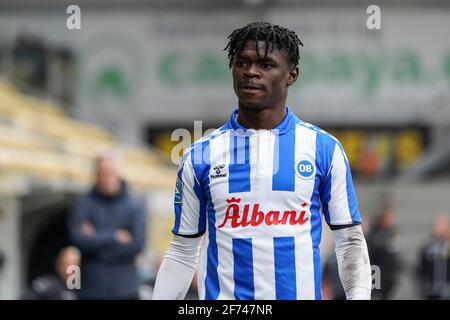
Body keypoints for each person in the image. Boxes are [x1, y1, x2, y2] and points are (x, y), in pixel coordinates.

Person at [152, 22, 371, 300]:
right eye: (242, 62)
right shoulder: (199, 156)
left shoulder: (324, 149)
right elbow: (183, 251)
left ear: (292, 75)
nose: (251, 72)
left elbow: (349, 241)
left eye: (266, 65)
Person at [68, 151, 146, 300]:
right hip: (90, 291)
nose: (106, 177)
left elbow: (138, 244)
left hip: (126, 290)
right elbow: (78, 240)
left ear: (119, 173)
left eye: (110, 172)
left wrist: (95, 241)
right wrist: (115, 237)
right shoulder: (83, 204)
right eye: (102, 173)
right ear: (95, 174)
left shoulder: (134, 205)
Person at [366, 204, 402, 300]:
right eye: (389, 218)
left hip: (388, 274)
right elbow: (372, 253)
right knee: (375, 295)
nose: (391, 221)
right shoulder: (374, 234)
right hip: (376, 272)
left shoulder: (392, 233)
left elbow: (395, 252)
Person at [416, 214, 449, 300]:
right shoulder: (428, 246)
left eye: (441, 225)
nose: (438, 228)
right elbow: (421, 266)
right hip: (431, 289)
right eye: (437, 225)